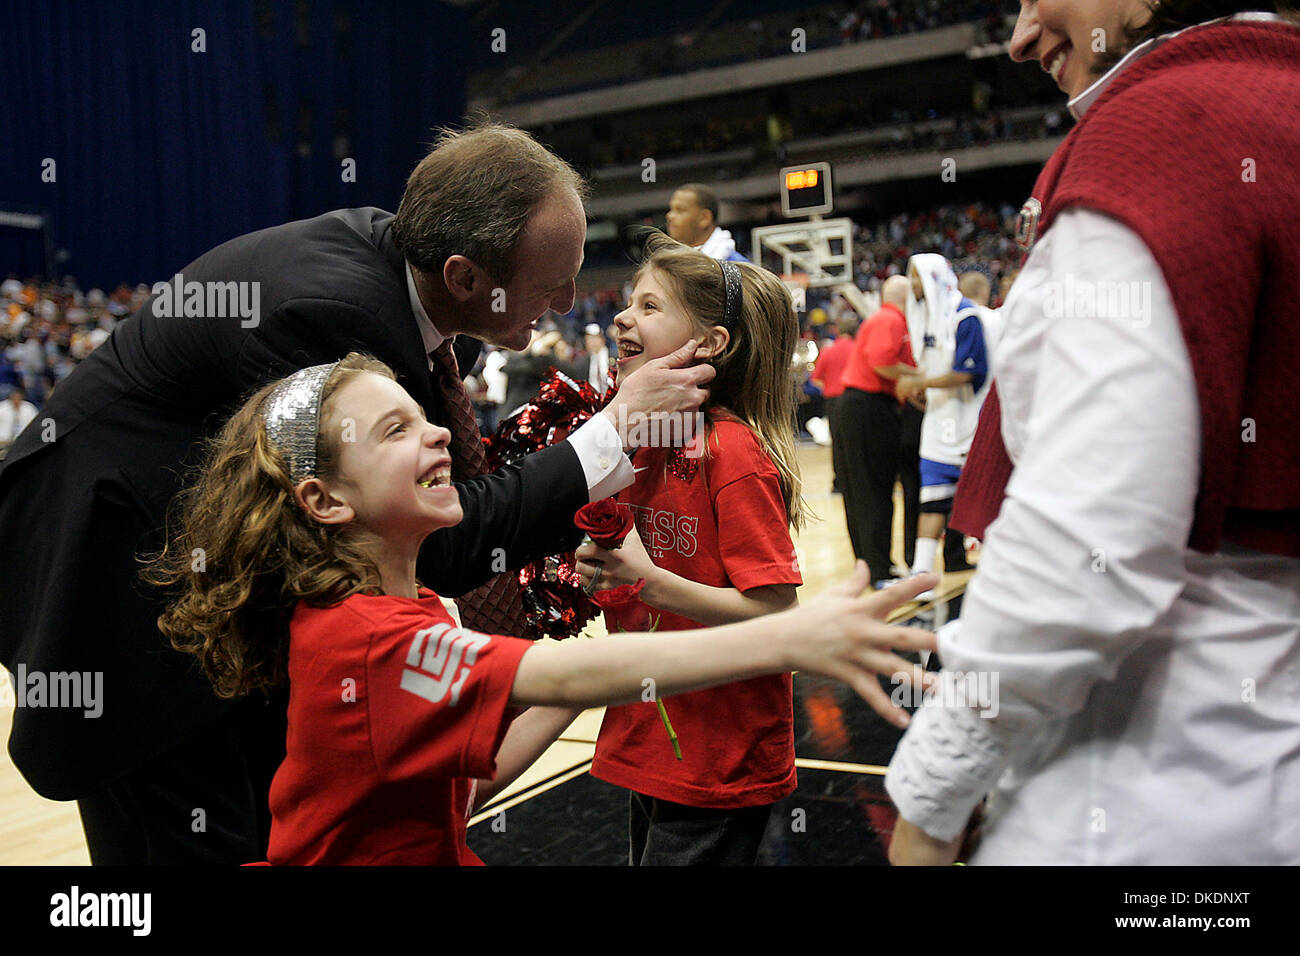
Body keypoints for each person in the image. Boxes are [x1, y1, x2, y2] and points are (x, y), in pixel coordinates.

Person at [0, 121, 715, 865]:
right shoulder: (334, 316)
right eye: (551, 282)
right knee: (192, 828)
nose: (569, 301)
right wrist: (616, 430)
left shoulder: (423, 286)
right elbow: (440, 541)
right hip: (118, 570)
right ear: (466, 275)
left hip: (212, 562)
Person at [146, 353, 938, 864]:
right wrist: (788, 635)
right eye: (395, 431)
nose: (435, 438)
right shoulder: (365, 639)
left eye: (426, 419)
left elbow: (479, 774)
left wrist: (602, 619)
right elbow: (560, 679)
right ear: (323, 500)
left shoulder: (412, 603)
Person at [888, 2, 1300, 865]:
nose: (1021, 35)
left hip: (1147, 793)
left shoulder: (1166, 122)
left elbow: (1086, 542)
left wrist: (931, 797)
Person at [572, 232, 807, 865]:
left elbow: (779, 617)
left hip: (719, 754)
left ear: (708, 345)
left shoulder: (731, 453)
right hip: (653, 734)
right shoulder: (639, 439)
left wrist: (652, 584)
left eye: (650, 307)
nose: (622, 316)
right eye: (629, 302)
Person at [896, 256, 994, 596]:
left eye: (918, 279)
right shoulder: (927, 321)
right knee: (932, 500)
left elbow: (967, 371)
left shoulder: (965, 316)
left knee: (985, 502)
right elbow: (933, 370)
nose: (914, 286)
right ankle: (922, 575)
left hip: (971, 423)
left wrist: (917, 384)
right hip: (939, 424)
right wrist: (921, 390)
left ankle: (1001, 569)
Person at [834, 275, 919, 586]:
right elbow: (883, 364)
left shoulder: (881, 319)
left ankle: (871, 565)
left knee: (862, 490)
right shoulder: (891, 320)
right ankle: (879, 569)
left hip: (858, 407)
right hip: (870, 407)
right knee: (875, 490)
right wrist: (920, 375)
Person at [811, 316, 856, 494]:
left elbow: (816, 380)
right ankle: (856, 481)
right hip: (854, 398)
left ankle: (839, 483)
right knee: (856, 441)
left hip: (833, 402)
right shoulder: (857, 349)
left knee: (838, 443)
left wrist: (829, 387)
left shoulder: (828, 351)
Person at [665, 183, 749, 262]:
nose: (669, 216)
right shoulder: (668, 264)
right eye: (671, 209)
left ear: (704, 218)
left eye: (680, 210)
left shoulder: (737, 267)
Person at [0, 386, 37, 457]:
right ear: (11, 397)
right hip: (3, 441)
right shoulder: (2, 408)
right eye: (14, 397)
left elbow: (36, 424)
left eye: (18, 397)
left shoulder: (29, 408)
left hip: (23, 441)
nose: (16, 400)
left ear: (22, 397)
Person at [582, 322, 611, 396]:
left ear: (602, 339)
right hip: (594, 402)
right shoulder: (584, 362)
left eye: (595, 338)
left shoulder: (614, 355)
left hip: (615, 400)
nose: (592, 342)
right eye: (589, 339)